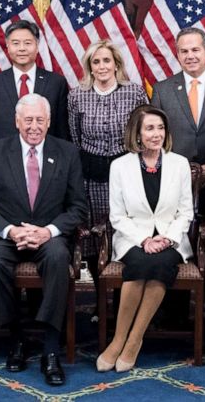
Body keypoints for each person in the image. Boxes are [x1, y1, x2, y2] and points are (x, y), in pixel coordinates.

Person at [0, 94, 88, 386]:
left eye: (39, 120)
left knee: (59, 259)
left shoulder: (67, 152)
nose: (33, 126)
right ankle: (16, 336)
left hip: (48, 234)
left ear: (48, 122)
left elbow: (78, 207)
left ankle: (50, 348)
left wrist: (48, 231)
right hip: (8, 233)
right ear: (17, 121)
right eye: (28, 120)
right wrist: (11, 231)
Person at [97, 105, 193, 372]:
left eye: (160, 128)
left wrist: (168, 238)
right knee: (140, 264)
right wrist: (143, 240)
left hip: (170, 238)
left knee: (161, 264)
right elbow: (117, 216)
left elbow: (186, 212)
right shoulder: (120, 166)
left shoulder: (180, 163)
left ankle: (134, 340)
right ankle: (118, 340)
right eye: (150, 128)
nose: (156, 133)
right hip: (132, 238)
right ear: (137, 134)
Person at [67, 40, 148, 258]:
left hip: (128, 173)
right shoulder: (76, 96)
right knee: (96, 232)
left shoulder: (134, 92)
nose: (102, 66)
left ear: (116, 64)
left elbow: (144, 134)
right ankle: (99, 283)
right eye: (96, 62)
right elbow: (75, 137)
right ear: (90, 67)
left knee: (125, 227)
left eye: (106, 61)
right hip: (91, 176)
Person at [149, 27, 205, 180]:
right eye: (184, 51)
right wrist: (176, 165)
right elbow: (155, 135)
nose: (190, 56)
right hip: (174, 176)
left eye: (195, 50)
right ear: (178, 55)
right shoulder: (161, 90)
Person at [0, 20, 69, 147]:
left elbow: (62, 132)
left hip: (46, 159)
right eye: (15, 43)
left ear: (37, 46)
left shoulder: (56, 83)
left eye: (28, 43)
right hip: (2, 161)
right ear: (8, 46)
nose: (22, 48)